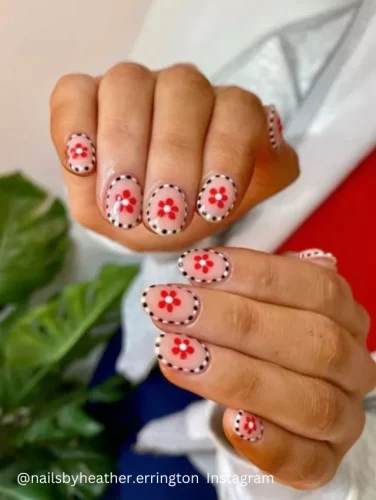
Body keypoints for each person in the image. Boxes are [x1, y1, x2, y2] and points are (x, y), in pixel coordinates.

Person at [49, 1, 376, 498]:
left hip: (245, 469)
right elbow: (169, 118)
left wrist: (328, 455)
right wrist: (157, 180)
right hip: (143, 349)